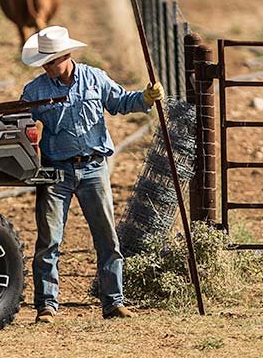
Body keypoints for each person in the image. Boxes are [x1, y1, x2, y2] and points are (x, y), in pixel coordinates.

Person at [19, 26, 164, 322]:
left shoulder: (95, 78)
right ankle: (46, 305)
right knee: (49, 239)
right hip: (55, 171)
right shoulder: (34, 91)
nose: (47, 68)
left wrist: (146, 98)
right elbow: (20, 125)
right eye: (44, 63)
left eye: (51, 62)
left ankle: (113, 301)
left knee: (106, 237)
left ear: (66, 56)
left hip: (94, 167)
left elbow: (121, 102)